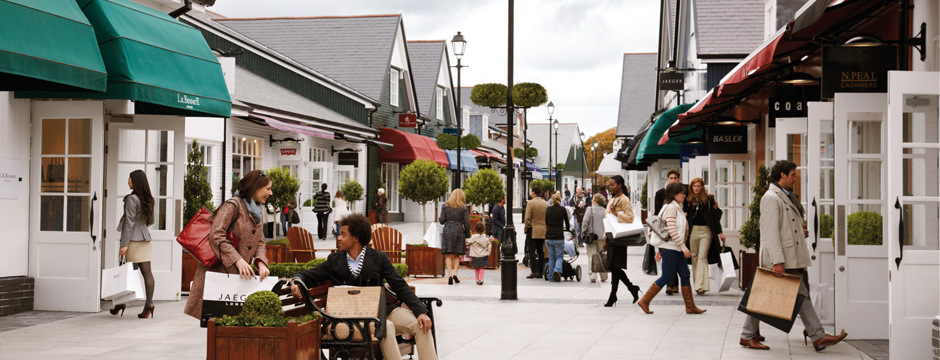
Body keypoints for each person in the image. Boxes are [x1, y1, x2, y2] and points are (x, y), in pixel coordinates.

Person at [289, 214, 437, 360]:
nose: (338, 238)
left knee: (421, 324)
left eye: (343, 234)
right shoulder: (334, 261)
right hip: (349, 318)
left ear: (356, 237)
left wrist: (420, 312)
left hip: (382, 311)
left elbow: (400, 286)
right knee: (386, 327)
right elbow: (307, 275)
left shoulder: (379, 258)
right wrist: (296, 281)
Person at [739, 161, 848, 351]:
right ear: (782, 175)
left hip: (790, 255)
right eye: (792, 175)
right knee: (795, 294)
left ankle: (748, 334)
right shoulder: (771, 198)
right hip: (783, 257)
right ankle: (817, 335)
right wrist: (777, 261)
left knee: (767, 293)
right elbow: (770, 232)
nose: (795, 178)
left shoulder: (784, 196)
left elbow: (784, 226)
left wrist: (799, 232)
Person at [184, 170, 271, 321]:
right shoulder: (233, 206)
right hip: (219, 273)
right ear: (256, 187)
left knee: (232, 324)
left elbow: (260, 240)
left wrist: (261, 262)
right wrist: (237, 260)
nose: (270, 193)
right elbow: (216, 235)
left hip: (238, 278)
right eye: (268, 189)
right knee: (217, 323)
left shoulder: (258, 210)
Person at [637, 182, 706, 315]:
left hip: (674, 248)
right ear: (675, 195)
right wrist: (684, 248)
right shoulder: (671, 208)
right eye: (682, 193)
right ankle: (645, 300)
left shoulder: (676, 207)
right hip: (671, 248)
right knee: (667, 276)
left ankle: (690, 306)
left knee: (685, 275)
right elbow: (672, 230)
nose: (685, 195)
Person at [111, 170, 156, 318]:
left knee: (124, 273)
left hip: (132, 240)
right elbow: (150, 221)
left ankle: (120, 303)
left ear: (135, 181)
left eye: (129, 179)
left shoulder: (132, 199)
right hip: (144, 239)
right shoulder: (148, 199)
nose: (128, 182)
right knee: (147, 273)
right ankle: (149, 304)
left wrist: (124, 244)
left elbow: (129, 222)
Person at [603, 175, 641, 307]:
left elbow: (630, 218)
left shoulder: (624, 200)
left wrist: (615, 213)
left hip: (619, 238)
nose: (610, 187)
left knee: (615, 267)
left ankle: (614, 295)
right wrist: (605, 238)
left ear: (620, 185)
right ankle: (631, 289)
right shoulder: (612, 200)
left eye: (612, 185)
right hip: (611, 237)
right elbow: (607, 220)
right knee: (614, 268)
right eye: (609, 185)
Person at [685, 177, 725, 294]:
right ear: (691, 187)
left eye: (698, 186)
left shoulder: (709, 199)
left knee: (702, 256)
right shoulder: (688, 200)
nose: (696, 188)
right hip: (693, 231)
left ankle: (701, 285)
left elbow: (715, 217)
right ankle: (697, 284)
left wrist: (720, 232)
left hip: (706, 231)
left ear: (702, 187)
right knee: (694, 257)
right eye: (694, 186)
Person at [654, 169, 682, 295]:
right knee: (668, 255)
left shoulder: (682, 193)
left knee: (676, 256)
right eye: (671, 178)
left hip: (679, 228)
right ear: (667, 179)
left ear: (679, 179)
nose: (673, 180)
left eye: (675, 178)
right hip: (664, 228)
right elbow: (657, 212)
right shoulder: (660, 193)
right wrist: (653, 229)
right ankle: (670, 284)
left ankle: (674, 284)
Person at [439, 189, 470, 285]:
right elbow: (466, 222)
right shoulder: (463, 208)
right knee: (457, 254)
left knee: (448, 254)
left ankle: (449, 275)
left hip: (448, 230)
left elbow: (441, 221)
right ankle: (455, 274)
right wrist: (467, 235)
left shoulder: (445, 206)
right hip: (459, 230)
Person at [580, 194, 608, 283]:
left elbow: (585, 222)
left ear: (595, 201)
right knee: (602, 256)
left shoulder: (590, 209)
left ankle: (593, 276)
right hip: (602, 237)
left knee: (591, 256)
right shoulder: (605, 211)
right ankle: (603, 275)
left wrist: (583, 233)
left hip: (590, 237)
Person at [544, 193, 570, 282]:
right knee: (559, 256)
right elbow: (567, 222)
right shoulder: (562, 209)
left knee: (551, 257)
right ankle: (557, 270)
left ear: (552, 200)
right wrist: (567, 229)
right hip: (558, 236)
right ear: (560, 200)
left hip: (549, 236)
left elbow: (546, 222)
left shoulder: (548, 209)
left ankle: (551, 278)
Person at [524, 185, 549, 279]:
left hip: (533, 229)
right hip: (543, 230)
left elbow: (527, 218)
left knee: (531, 250)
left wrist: (526, 228)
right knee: (541, 251)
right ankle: (540, 270)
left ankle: (534, 270)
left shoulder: (530, 203)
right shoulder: (546, 204)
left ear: (533, 192)